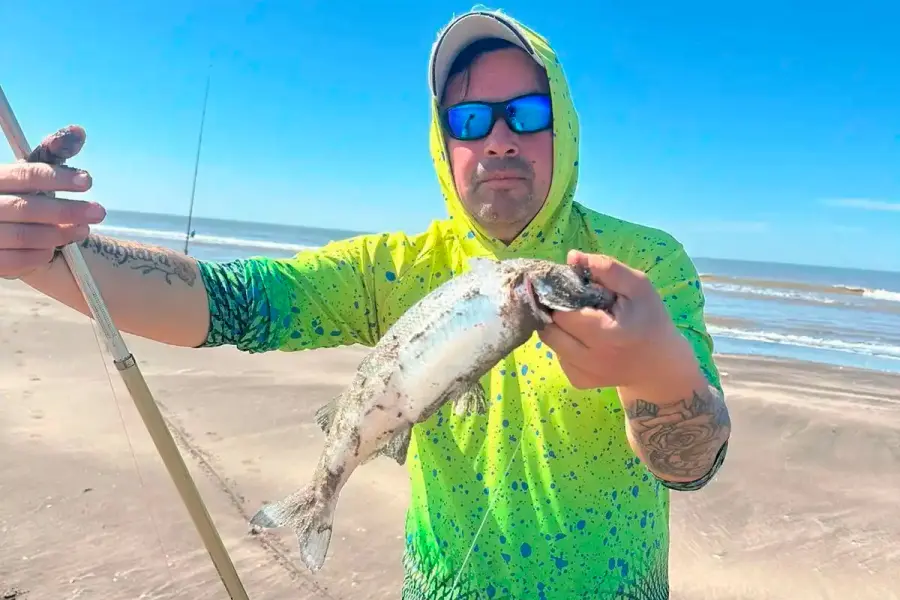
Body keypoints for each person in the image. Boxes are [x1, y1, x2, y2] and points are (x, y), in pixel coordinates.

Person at [0, 10, 731, 599]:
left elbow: (691, 467)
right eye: (470, 121)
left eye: (526, 112)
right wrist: (55, 255)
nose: (500, 138)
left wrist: (656, 369)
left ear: (563, 127)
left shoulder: (642, 264)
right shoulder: (394, 269)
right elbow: (230, 303)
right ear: (443, 142)